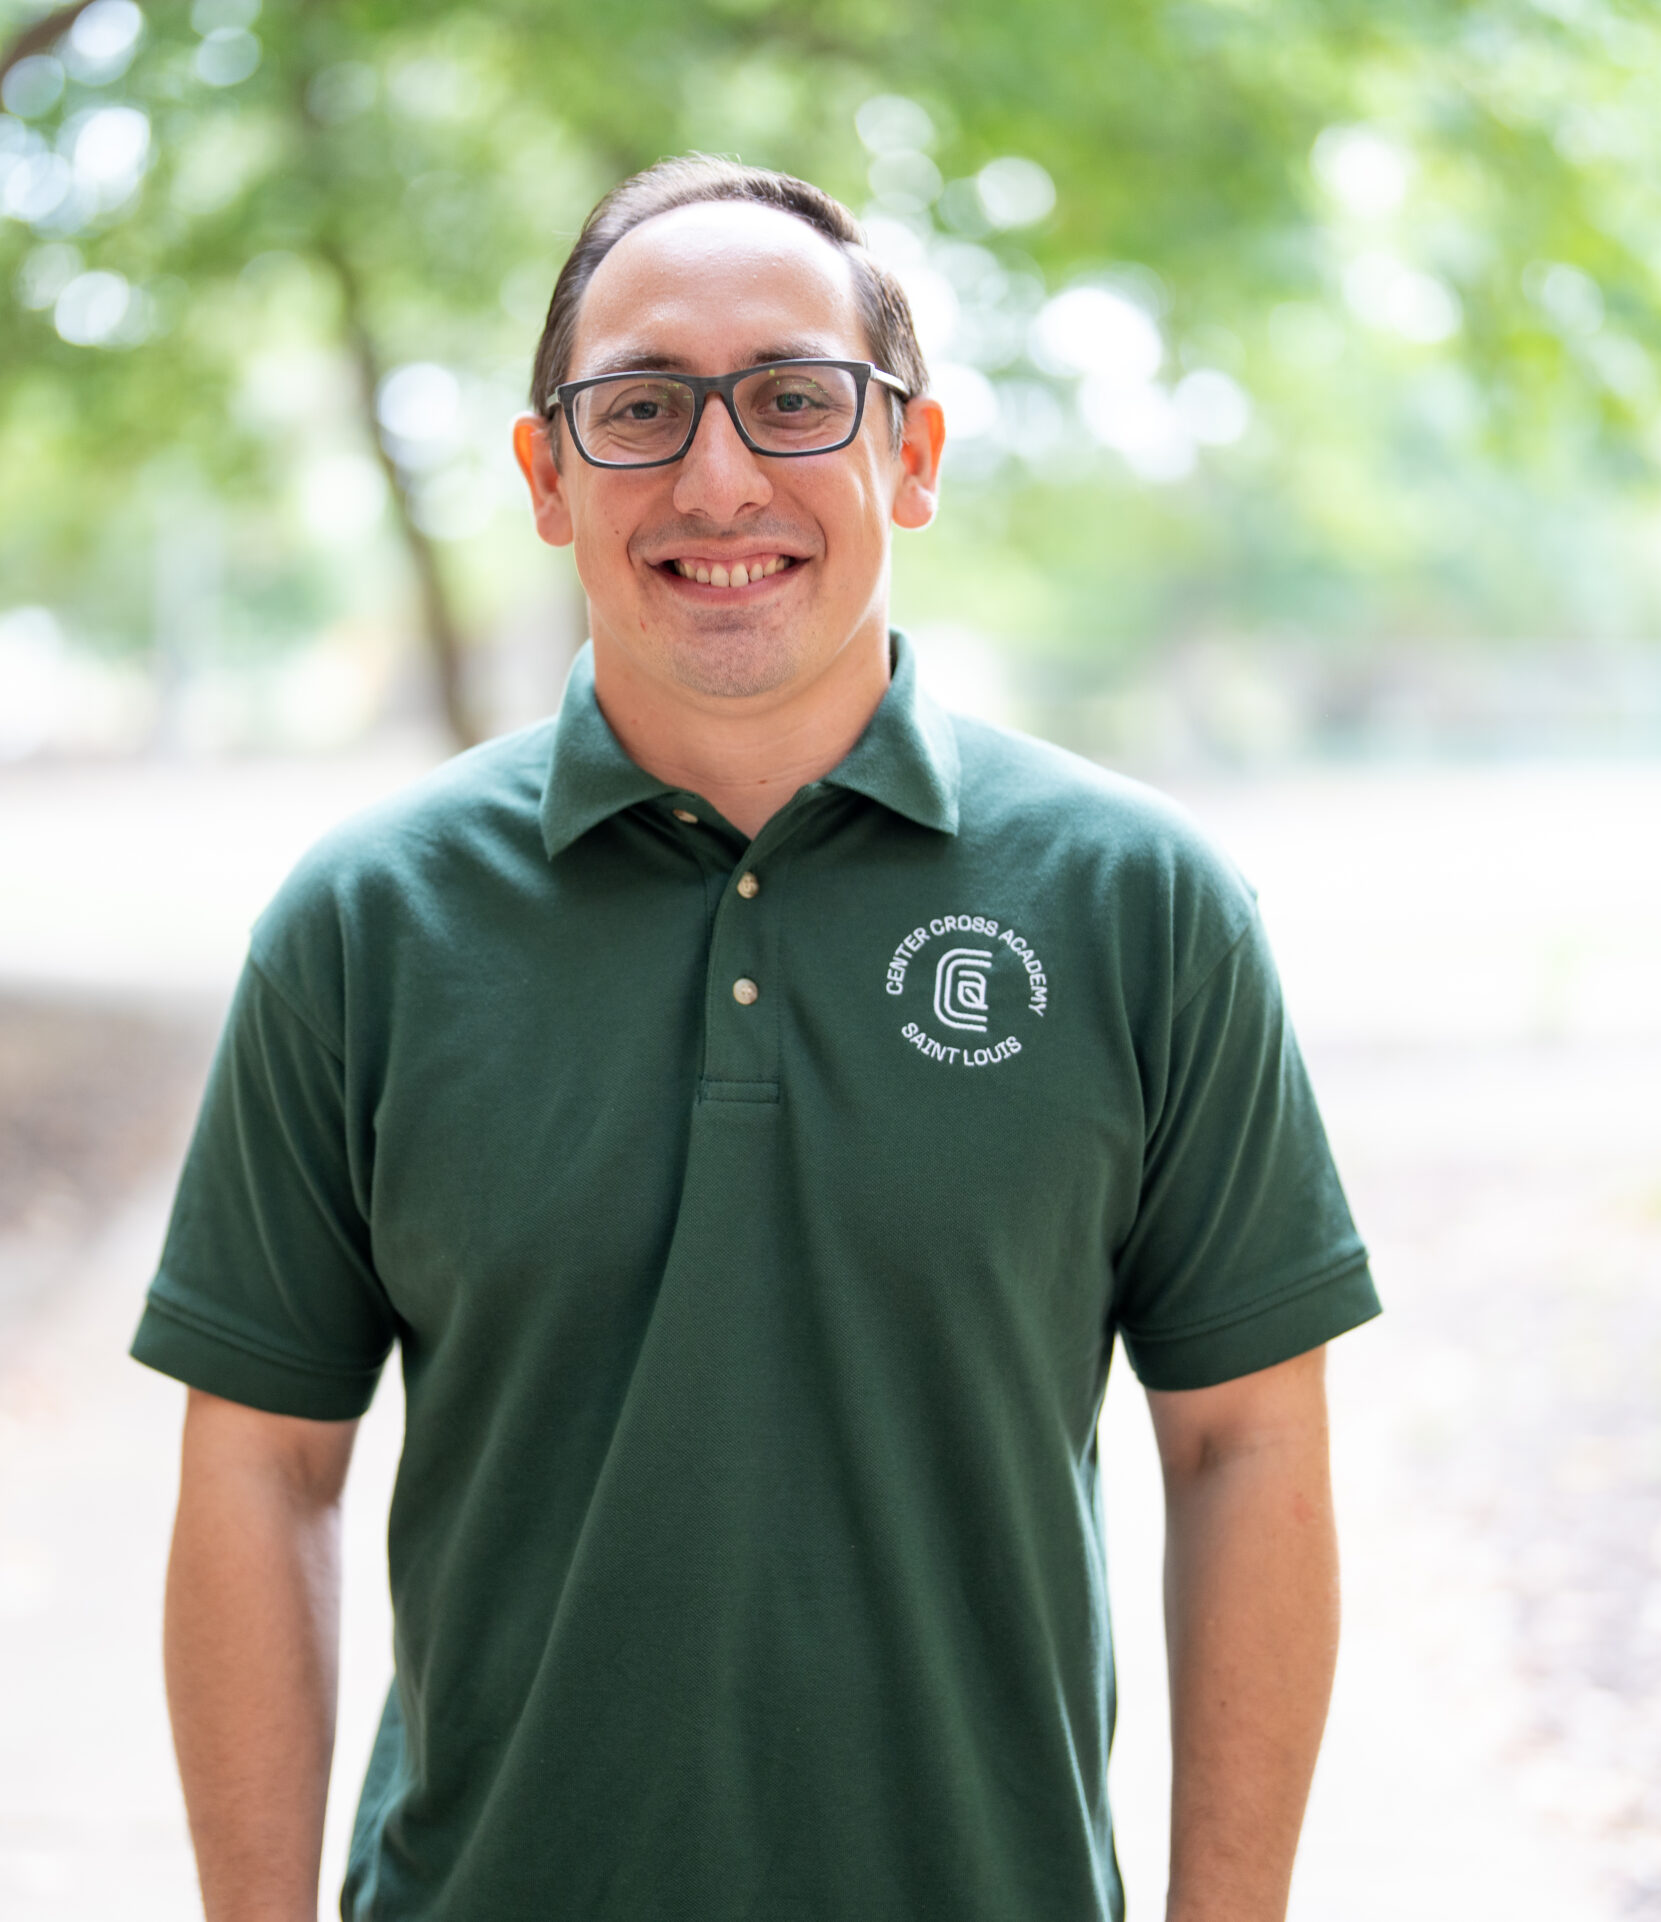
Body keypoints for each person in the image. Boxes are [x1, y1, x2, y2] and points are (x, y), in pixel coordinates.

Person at [133, 156, 1378, 1922]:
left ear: (914, 457)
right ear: (548, 477)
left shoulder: (1141, 904)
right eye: (639, 408)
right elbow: (260, 1469)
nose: (720, 476)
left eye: (797, 399)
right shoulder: (366, 927)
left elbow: (1245, 1442)